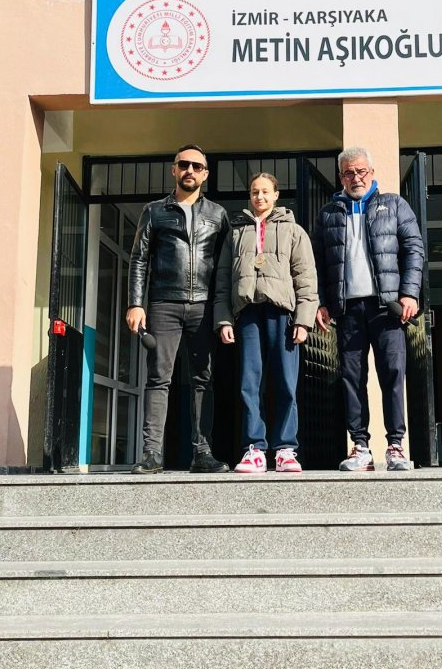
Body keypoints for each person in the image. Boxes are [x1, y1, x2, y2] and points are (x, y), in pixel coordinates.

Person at [312, 147, 425, 472]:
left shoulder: (395, 205)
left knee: (393, 375)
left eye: (361, 171)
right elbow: (317, 261)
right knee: (351, 378)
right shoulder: (328, 213)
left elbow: (414, 249)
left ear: (372, 173)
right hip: (347, 309)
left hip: (386, 308)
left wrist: (409, 293)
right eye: (349, 172)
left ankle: (395, 446)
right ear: (341, 177)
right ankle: (360, 446)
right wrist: (321, 301)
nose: (356, 178)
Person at [126, 144, 230, 474]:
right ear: (174, 170)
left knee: (203, 379)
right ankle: (152, 454)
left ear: (205, 174)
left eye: (197, 166)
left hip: (204, 305)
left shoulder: (218, 214)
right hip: (163, 304)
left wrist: (223, 311)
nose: (190, 170)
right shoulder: (154, 211)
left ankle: (202, 453)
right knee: (158, 378)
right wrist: (136, 303)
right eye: (184, 164)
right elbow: (139, 259)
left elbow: (225, 267)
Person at [214, 173, 318, 473]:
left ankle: (285, 449)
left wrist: (304, 320)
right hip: (247, 314)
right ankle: (254, 449)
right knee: (249, 383)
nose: (259, 197)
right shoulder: (235, 233)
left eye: (264, 192)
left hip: (282, 315)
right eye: (254, 192)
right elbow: (223, 280)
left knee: (285, 382)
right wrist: (224, 319)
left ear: (276, 195)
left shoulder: (294, 231)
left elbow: (305, 278)